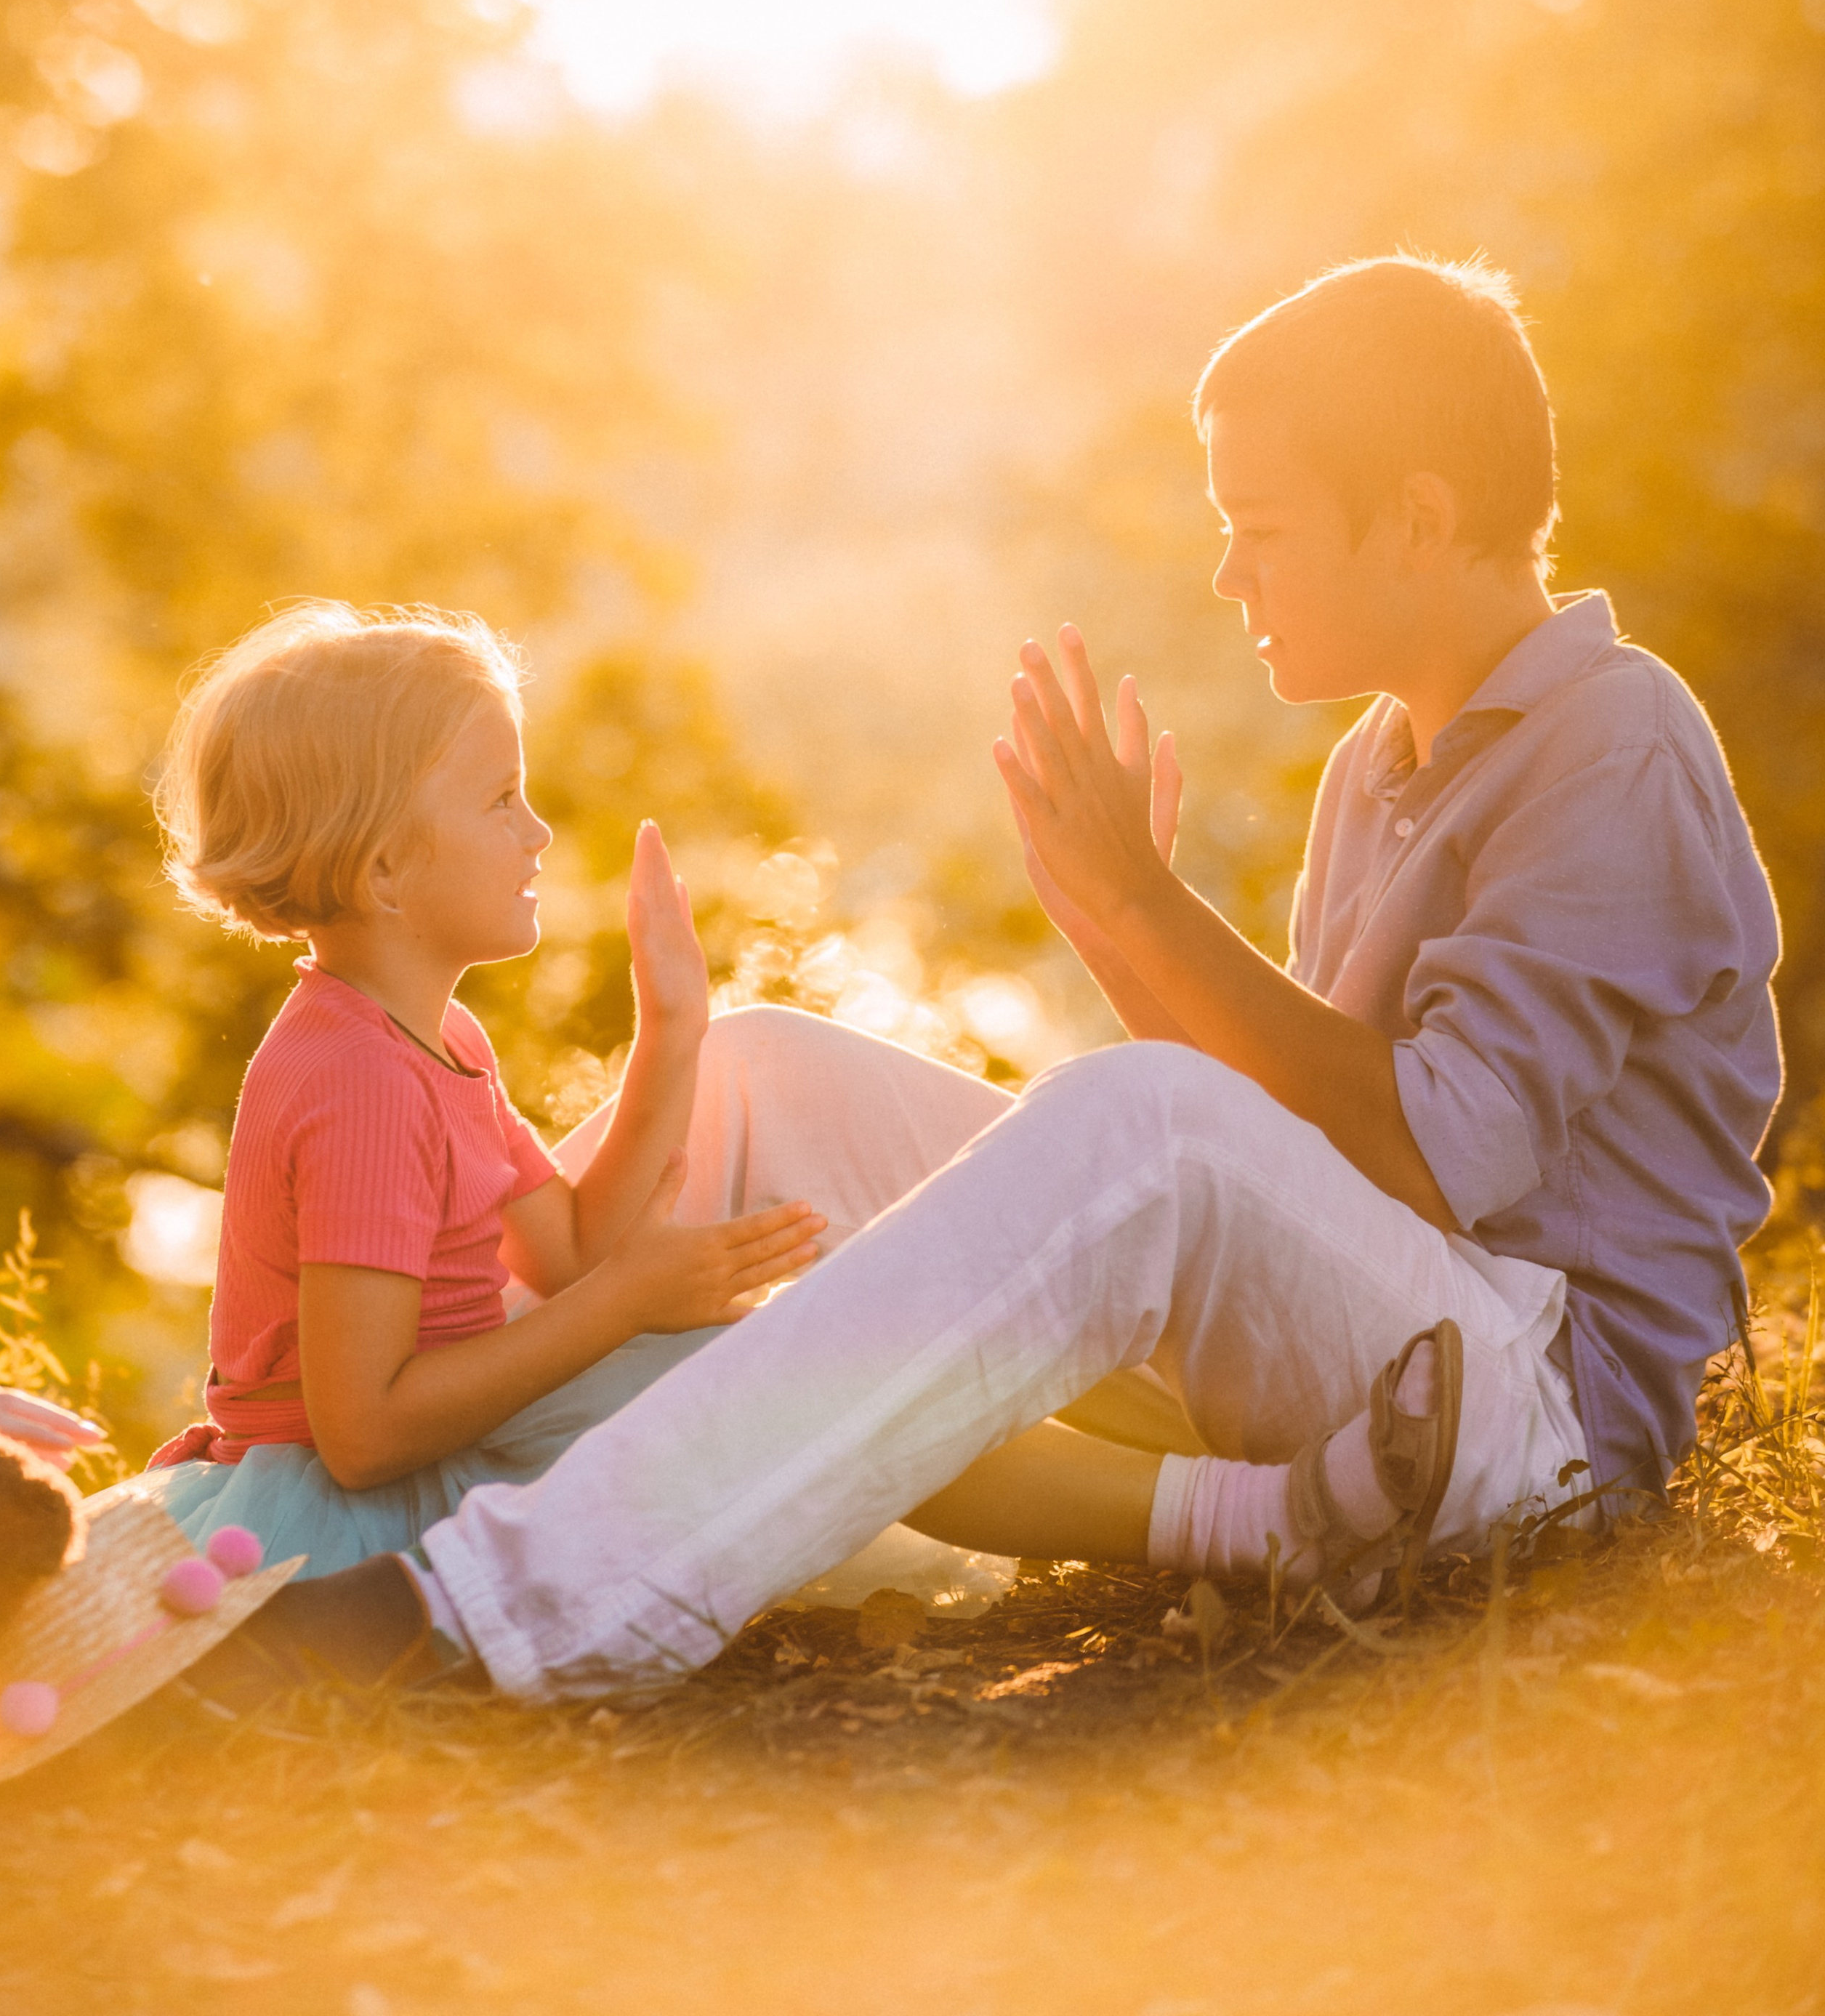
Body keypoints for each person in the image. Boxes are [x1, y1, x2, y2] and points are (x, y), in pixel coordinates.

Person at [201, 250, 1781, 1705]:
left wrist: (1146, 907)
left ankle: (487, 1616)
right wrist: (1112, 919)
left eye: (1264, 530)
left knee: (1136, 1119)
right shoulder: (1380, 766)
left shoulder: (1610, 745)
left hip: (1527, 1414)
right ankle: (417, 1474)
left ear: (1420, 521)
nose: (1232, 575)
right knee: (761, 1070)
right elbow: (1295, 1151)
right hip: (1372, 1348)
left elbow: (1437, 1158)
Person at [127, 601, 1200, 1581]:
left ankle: (1224, 1500)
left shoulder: (434, 1037)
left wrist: (674, 1037)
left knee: (819, 1371)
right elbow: (363, 1436)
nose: (539, 832)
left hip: (453, 1456)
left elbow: (569, 1250)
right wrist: (627, 1306)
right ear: (383, 874)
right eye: (501, 802)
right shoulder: (355, 1080)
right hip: (363, 1524)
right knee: (819, 1389)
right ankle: (1232, 1521)